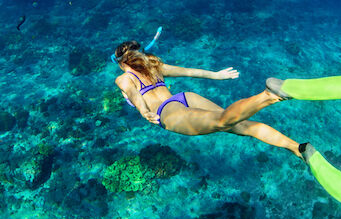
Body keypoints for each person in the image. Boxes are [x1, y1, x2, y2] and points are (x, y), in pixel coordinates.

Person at [113, 40, 304, 160]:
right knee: (241, 125)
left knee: (223, 121)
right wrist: (216, 75)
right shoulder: (155, 66)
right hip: (185, 98)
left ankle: (269, 95)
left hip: (167, 112)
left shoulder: (123, 78)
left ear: (122, 63)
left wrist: (144, 111)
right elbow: (189, 71)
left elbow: (133, 94)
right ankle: (297, 147)